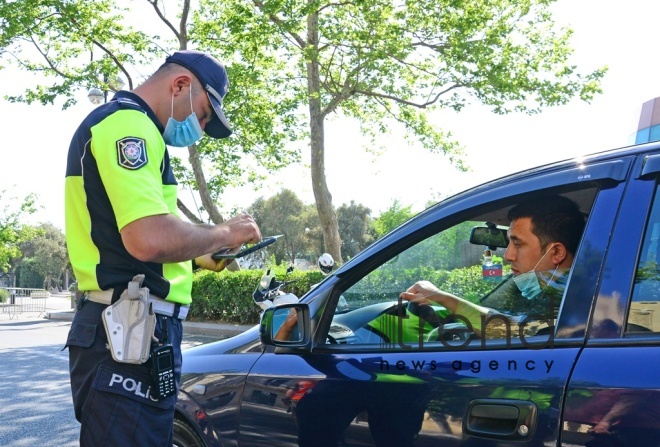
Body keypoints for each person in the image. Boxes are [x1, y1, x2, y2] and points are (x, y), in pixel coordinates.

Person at [63, 50, 261, 446]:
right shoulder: (128, 127)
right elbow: (149, 237)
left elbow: (139, 236)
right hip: (126, 330)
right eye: (204, 114)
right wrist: (223, 233)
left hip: (134, 329)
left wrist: (201, 252)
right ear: (180, 85)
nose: (201, 129)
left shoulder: (137, 129)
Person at [400, 195, 585, 338]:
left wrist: (441, 298)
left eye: (518, 244)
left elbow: (514, 331)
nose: (507, 255)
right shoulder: (563, 289)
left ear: (557, 252)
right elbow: (515, 323)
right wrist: (440, 297)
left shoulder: (574, 298)